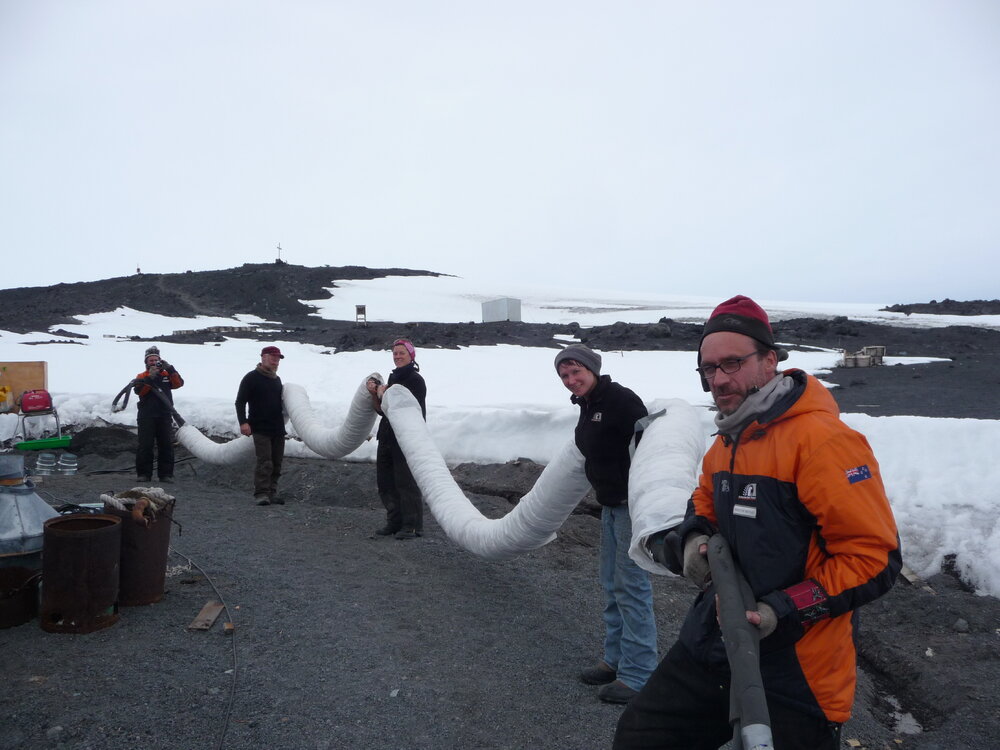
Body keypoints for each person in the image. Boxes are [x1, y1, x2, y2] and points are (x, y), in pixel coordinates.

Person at [614, 295, 901, 749]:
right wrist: (692, 540)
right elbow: (702, 506)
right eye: (708, 368)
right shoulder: (727, 440)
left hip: (795, 662)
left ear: (770, 360)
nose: (719, 380)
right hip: (714, 638)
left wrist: (781, 611)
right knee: (641, 737)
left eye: (733, 363)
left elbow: (874, 558)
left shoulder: (822, 443)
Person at [554, 344, 658, 705]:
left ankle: (639, 674)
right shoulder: (589, 406)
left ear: (592, 368)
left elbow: (651, 445)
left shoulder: (619, 400)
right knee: (612, 585)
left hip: (630, 507)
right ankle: (614, 660)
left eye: (576, 372)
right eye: (565, 376)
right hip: (611, 507)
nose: (571, 380)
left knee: (632, 589)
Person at [367, 338, 426, 540]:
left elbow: (406, 408)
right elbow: (384, 411)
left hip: (406, 438)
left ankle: (412, 525)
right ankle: (394, 522)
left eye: (401, 353)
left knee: (405, 482)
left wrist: (385, 393)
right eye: (395, 353)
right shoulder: (394, 378)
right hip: (387, 436)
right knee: (386, 482)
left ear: (411, 356)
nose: (397, 356)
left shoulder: (415, 380)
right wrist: (375, 394)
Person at [236, 345, 286, 506]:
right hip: (260, 427)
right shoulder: (251, 378)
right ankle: (261, 493)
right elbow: (240, 401)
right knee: (265, 461)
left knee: (277, 462)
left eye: (278, 358)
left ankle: (272, 492)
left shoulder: (276, 380)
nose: (276, 361)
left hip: (277, 428)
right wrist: (243, 422)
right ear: (263, 357)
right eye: (273, 357)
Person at [133, 346, 184, 483]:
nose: (154, 362)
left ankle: (166, 475)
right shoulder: (141, 376)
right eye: (151, 360)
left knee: (166, 444)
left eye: (156, 359)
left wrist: (171, 369)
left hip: (164, 414)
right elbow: (139, 392)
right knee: (145, 445)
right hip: (146, 415)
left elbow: (178, 384)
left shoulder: (166, 375)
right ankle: (144, 474)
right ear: (146, 362)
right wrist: (150, 378)